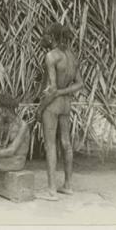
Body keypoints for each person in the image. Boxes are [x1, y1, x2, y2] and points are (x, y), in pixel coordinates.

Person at [37, 23, 83, 201]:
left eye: (45, 35)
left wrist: (40, 109)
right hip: (66, 104)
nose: (43, 37)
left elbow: (52, 89)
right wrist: (65, 92)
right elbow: (80, 83)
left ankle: (51, 190)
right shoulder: (71, 56)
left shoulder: (51, 56)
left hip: (53, 105)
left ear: (53, 37)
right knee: (66, 143)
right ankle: (68, 186)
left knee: (50, 145)